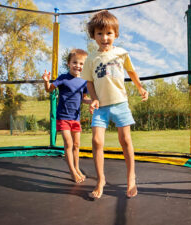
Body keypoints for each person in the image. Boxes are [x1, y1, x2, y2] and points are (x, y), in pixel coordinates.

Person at [81, 10, 149, 198]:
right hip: (101, 107)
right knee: (96, 141)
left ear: (115, 34)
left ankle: (131, 178)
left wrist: (141, 88)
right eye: (100, 33)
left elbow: (132, 72)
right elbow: (89, 83)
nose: (104, 38)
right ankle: (100, 179)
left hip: (120, 104)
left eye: (109, 33)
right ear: (93, 35)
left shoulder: (122, 53)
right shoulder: (91, 59)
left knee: (125, 140)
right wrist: (94, 98)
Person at [42, 49, 91, 183]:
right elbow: (49, 89)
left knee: (76, 144)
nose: (78, 66)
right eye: (75, 62)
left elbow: (84, 98)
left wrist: (92, 102)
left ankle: (77, 168)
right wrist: (46, 81)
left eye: (81, 64)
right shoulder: (63, 78)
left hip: (76, 118)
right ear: (68, 63)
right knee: (68, 144)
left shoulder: (84, 82)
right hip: (63, 117)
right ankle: (72, 172)